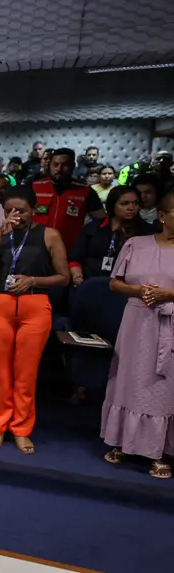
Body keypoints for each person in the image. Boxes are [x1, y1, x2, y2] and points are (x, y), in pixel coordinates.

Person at [0, 186, 70, 454]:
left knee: (26, 373)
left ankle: (21, 429)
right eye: (9, 211)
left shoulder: (49, 234)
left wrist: (32, 280)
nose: (15, 215)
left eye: (21, 211)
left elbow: (63, 277)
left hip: (35, 304)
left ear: (34, 210)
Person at [102, 191, 174, 479]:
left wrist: (168, 294)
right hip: (136, 322)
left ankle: (159, 452)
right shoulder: (136, 244)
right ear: (162, 216)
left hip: (169, 324)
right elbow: (114, 284)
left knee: (163, 387)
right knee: (128, 381)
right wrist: (139, 290)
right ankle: (123, 441)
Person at [69, 186, 154, 285]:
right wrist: (77, 275)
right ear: (112, 205)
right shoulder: (93, 228)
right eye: (124, 203)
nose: (131, 208)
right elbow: (75, 258)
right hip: (89, 282)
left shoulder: (146, 232)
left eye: (135, 203)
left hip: (127, 287)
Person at [28, 147, 106, 251]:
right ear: (49, 165)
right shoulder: (34, 187)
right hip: (36, 248)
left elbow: (102, 220)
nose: (59, 169)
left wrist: (86, 237)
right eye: (55, 164)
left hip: (70, 249)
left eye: (64, 165)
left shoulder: (85, 191)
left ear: (73, 166)